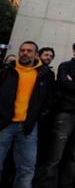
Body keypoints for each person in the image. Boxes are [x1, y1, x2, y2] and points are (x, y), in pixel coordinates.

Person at [37, 40, 75, 188]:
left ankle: (66, 184)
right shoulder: (65, 66)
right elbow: (65, 85)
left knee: (73, 156)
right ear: (74, 51)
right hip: (65, 115)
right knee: (55, 156)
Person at [0, 41, 54, 187]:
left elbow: (48, 100)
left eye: (29, 51)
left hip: (28, 127)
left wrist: (37, 118)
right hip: (4, 125)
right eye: (22, 50)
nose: (25, 53)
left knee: (27, 168)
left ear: (36, 54)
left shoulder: (44, 74)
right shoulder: (7, 70)